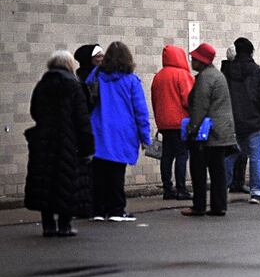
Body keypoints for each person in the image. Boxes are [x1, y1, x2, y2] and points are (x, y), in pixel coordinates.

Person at [25, 51, 94, 237]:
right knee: (66, 181)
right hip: (67, 140)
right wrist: (87, 147)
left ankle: (48, 225)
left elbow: (34, 111)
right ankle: (65, 225)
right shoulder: (74, 86)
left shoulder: (41, 85)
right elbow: (82, 119)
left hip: (43, 140)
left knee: (45, 181)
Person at [85, 41, 150, 222]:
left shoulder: (97, 76)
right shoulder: (131, 81)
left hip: (98, 127)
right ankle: (116, 209)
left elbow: (88, 86)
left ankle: (98, 210)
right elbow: (140, 111)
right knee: (116, 172)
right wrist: (145, 137)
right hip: (123, 130)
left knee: (99, 172)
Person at [181, 43, 236, 217]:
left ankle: (199, 206)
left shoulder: (205, 78)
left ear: (201, 61)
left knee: (198, 169)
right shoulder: (218, 76)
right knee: (217, 170)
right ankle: (219, 206)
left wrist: (192, 129)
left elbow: (200, 107)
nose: (192, 61)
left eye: (194, 59)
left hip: (207, 133)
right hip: (222, 131)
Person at [223, 37, 260, 205]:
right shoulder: (258, 73)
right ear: (251, 52)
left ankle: (221, 189)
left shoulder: (226, 73)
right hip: (254, 122)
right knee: (255, 157)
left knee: (230, 156)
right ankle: (257, 192)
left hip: (232, 122)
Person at [151, 45, 194, 200]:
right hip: (180, 123)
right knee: (182, 155)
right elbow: (189, 100)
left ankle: (167, 189)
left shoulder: (159, 76)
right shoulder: (182, 75)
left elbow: (155, 101)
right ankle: (181, 188)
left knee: (167, 156)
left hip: (164, 123)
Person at [222, 45, 248, 193]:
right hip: (239, 117)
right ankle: (237, 181)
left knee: (231, 152)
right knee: (240, 151)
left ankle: (229, 182)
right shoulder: (238, 73)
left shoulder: (223, 71)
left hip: (228, 117)